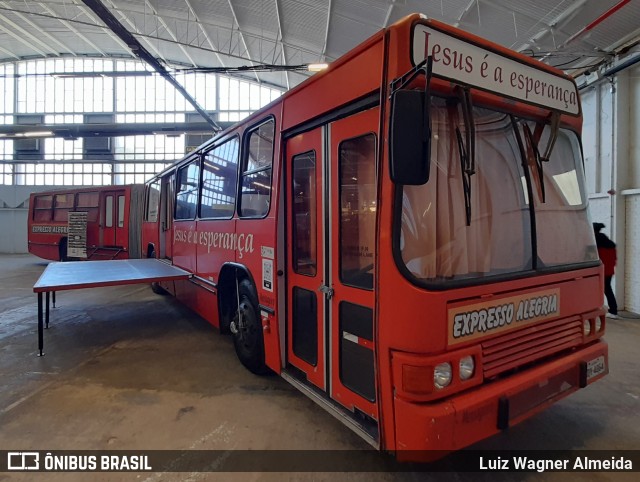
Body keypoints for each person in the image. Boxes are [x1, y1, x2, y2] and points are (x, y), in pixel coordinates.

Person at [593, 222, 619, 319]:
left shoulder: (595, 244)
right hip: (609, 271)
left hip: (598, 272)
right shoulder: (610, 244)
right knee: (608, 290)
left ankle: (609, 310)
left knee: (599, 290)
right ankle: (613, 310)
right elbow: (614, 259)